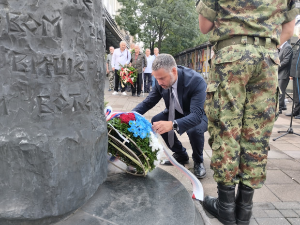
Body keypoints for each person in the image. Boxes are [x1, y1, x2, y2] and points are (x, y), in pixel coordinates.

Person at [196, 0, 298, 224]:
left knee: (226, 130)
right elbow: (289, 30)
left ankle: (225, 208)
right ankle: (244, 212)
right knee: (257, 134)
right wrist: (264, 47)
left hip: (230, 57)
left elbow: (204, 26)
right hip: (267, 60)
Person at [132, 54, 208, 179]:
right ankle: (181, 154)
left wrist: (173, 124)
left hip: (198, 114)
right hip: (176, 111)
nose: (159, 83)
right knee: (157, 121)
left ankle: (198, 160)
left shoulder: (196, 81)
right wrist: (129, 115)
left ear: (173, 71)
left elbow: (196, 116)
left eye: (162, 78)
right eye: (156, 79)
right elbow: (148, 102)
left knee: (194, 129)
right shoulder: (160, 82)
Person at [286, 35, 300, 119]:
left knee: (299, 94)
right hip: (296, 74)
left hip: (299, 74)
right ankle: (296, 110)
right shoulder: (298, 45)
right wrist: (292, 73)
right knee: (296, 94)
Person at [278, 40, 293, 114]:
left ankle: (279, 108)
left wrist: (276, 67)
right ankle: (282, 106)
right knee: (279, 91)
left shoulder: (287, 47)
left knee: (281, 91)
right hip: (279, 73)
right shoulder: (281, 47)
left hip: (283, 73)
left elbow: (286, 61)